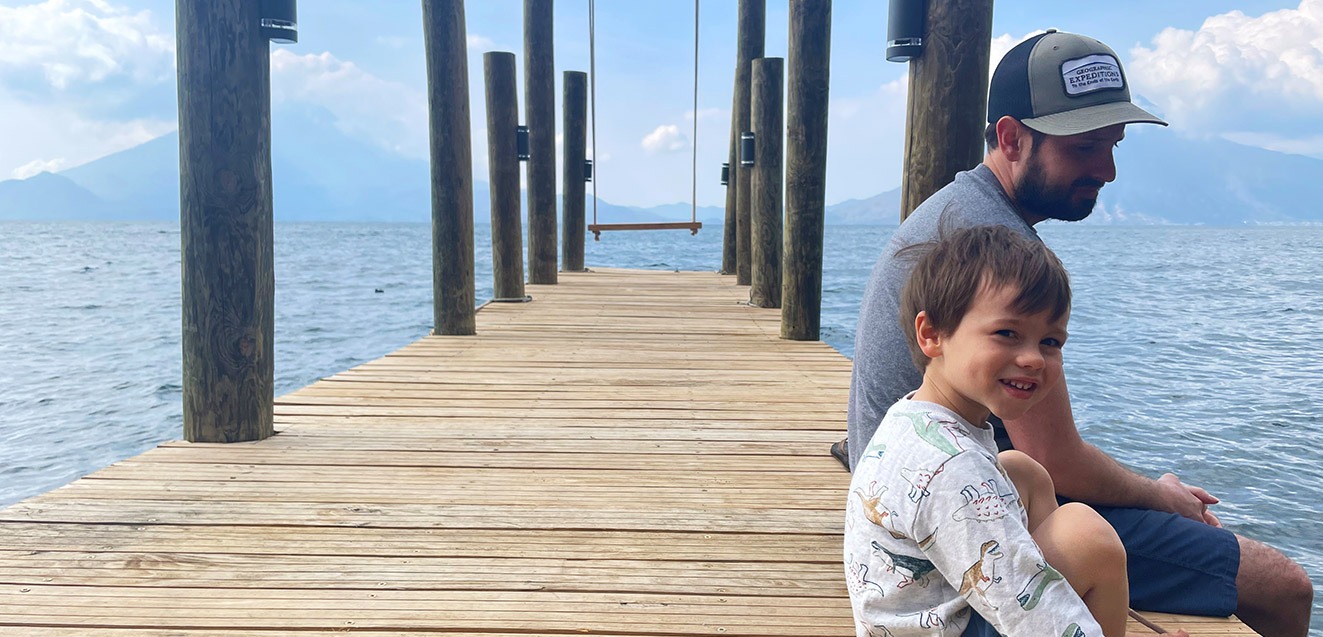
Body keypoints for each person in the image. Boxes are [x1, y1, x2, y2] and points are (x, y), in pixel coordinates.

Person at [842, 29, 1312, 636]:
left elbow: (1034, 465)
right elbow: (1054, 457)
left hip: (909, 506)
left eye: (1112, 146)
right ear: (1011, 138)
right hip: (946, 524)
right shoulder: (995, 249)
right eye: (1087, 147)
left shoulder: (961, 217)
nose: (1109, 170)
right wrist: (1161, 495)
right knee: (1283, 586)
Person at [846, 225, 1188, 637]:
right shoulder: (952, 468)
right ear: (932, 334)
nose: (1033, 359)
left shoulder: (918, 417)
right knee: (1087, 535)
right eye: (1007, 333)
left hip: (926, 611)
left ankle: (1089, 600)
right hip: (949, 626)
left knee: (1021, 469)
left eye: (1050, 341)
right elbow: (1028, 613)